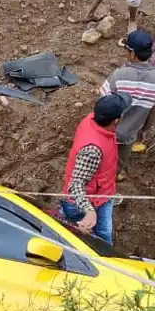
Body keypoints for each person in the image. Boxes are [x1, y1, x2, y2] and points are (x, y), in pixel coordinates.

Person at [59, 94, 131, 245]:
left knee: (97, 233)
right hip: (91, 200)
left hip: (103, 192)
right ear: (116, 121)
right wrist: (89, 211)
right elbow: (75, 184)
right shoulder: (92, 150)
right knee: (99, 237)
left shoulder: (92, 119)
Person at [100, 30, 155, 155]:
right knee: (120, 163)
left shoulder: (119, 75)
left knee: (105, 161)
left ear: (132, 54)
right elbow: (153, 111)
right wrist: (144, 131)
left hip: (110, 133)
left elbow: (104, 103)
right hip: (130, 135)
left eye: (126, 50)